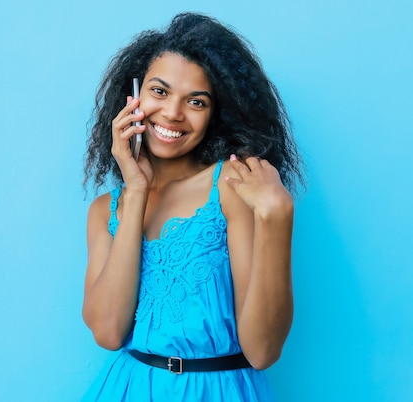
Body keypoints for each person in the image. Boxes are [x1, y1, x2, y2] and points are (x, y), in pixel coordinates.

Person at [81, 12, 303, 401]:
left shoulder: (233, 188)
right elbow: (108, 332)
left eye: (196, 101)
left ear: (216, 112)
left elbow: (263, 351)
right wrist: (135, 192)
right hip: (128, 390)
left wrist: (277, 218)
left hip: (218, 391)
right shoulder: (105, 210)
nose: (172, 114)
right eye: (160, 91)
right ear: (132, 97)